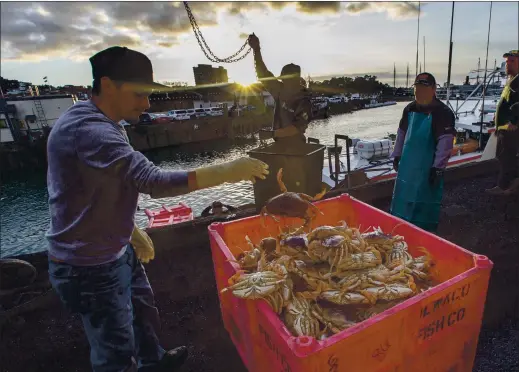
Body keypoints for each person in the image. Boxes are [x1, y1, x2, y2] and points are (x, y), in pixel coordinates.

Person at [45, 46, 269, 372]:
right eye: (140, 94)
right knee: (114, 351)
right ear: (108, 85)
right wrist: (228, 170)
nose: (147, 104)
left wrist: (131, 232)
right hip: (89, 264)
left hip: (115, 246)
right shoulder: (90, 131)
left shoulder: (101, 119)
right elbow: (153, 181)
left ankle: (155, 362)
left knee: (142, 311)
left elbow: (88, 190)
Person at [389, 72, 456, 232]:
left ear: (433, 89)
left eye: (424, 88)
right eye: (417, 88)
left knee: (425, 200)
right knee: (403, 198)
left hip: (429, 166)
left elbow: (445, 142)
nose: (420, 92)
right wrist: (397, 155)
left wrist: (438, 168)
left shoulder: (443, 112)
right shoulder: (409, 109)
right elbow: (401, 134)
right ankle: (400, 227)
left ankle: (425, 232)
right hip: (408, 166)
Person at [247, 33, 312, 146]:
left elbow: (297, 127)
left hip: (297, 146)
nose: (283, 82)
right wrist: (256, 50)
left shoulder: (304, 100)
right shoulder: (280, 90)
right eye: (282, 80)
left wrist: (272, 134)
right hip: (280, 144)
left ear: (295, 80)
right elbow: (263, 74)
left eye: (285, 80)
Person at [485, 49, 519, 196]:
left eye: (512, 61)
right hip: (505, 127)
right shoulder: (512, 80)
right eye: (507, 62)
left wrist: (514, 121)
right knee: (505, 157)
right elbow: (507, 102)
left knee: (507, 158)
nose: (508, 65)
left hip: (511, 129)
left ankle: (505, 187)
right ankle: (511, 185)